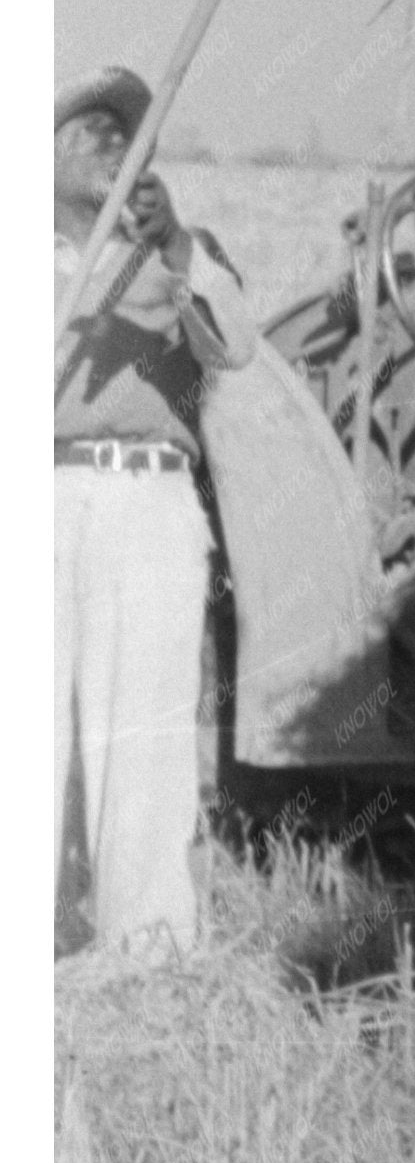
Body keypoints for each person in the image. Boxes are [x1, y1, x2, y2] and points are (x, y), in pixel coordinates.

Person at [54, 68, 256, 951]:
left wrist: (174, 245)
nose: (108, 140)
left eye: (122, 129)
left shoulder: (180, 253)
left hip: (147, 503)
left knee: (139, 730)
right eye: (84, 127)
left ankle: (144, 950)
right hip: (40, 499)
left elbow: (235, 344)